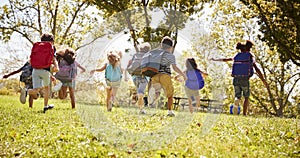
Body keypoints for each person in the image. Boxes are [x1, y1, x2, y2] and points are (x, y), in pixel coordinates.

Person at [211, 40, 267, 115]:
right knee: (246, 97)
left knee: (238, 95)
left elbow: (226, 60)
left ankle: (236, 101)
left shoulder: (236, 56)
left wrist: (215, 60)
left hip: (236, 79)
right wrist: (263, 80)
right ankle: (244, 113)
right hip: (245, 79)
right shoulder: (249, 56)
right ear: (248, 49)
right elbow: (257, 69)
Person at [148, 36, 187, 117]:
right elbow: (174, 67)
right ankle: (170, 111)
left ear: (161, 45)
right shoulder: (170, 56)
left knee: (157, 92)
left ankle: (152, 101)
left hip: (155, 75)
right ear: (171, 47)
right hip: (165, 76)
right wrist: (183, 74)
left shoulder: (155, 54)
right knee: (170, 94)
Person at [26, 33, 59, 113]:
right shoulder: (51, 47)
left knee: (36, 89)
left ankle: (26, 91)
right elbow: (54, 59)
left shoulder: (37, 46)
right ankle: (45, 106)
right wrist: (56, 67)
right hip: (45, 71)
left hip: (35, 70)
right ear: (52, 41)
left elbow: (31, 60)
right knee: (46, 88)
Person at [125, 42, 151, 114]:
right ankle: (139, 95)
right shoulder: (148, 56)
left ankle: (141, 109)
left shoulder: (136, 55)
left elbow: (131, 64)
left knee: (140, 92)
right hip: (143, 77)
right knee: (141, 93)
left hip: (135, 77)